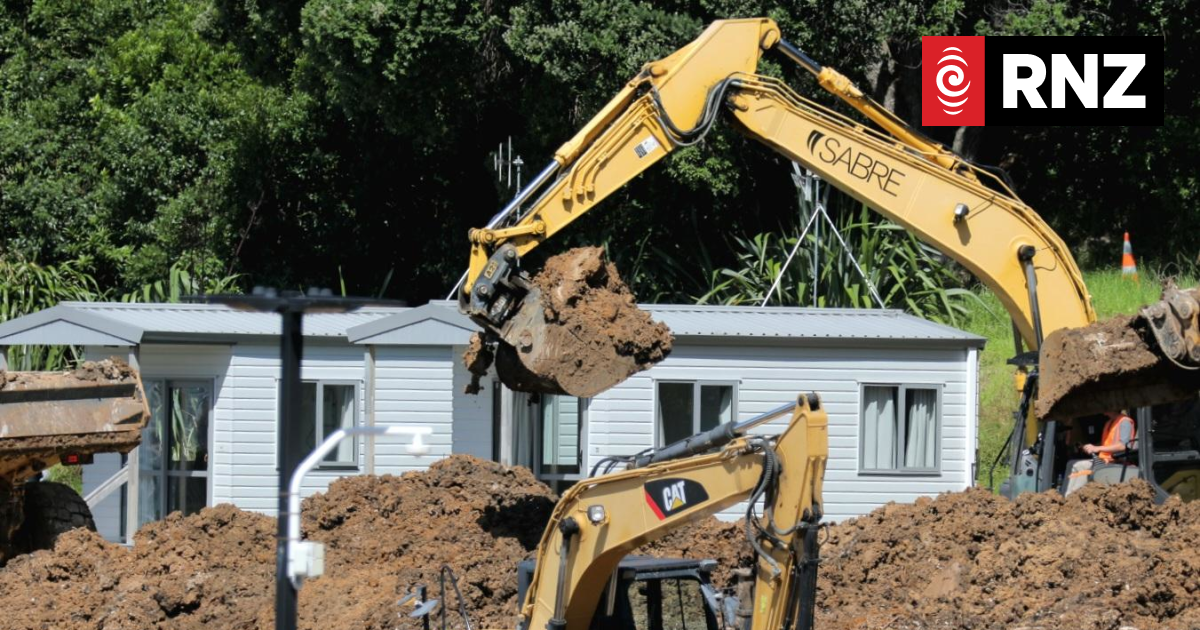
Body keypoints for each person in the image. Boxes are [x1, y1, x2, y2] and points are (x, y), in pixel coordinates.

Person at [1064, 410, 1136, 495]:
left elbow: (1122, 446)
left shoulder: (1125, 422)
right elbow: (1106, 444)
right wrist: (1089, 447)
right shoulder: (1109, 423)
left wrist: (1097, 448)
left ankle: (1072, 498)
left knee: (1080, 465)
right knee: (1071, 463)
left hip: (1116, 461)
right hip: (1105, 459)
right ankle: (1065, 495)